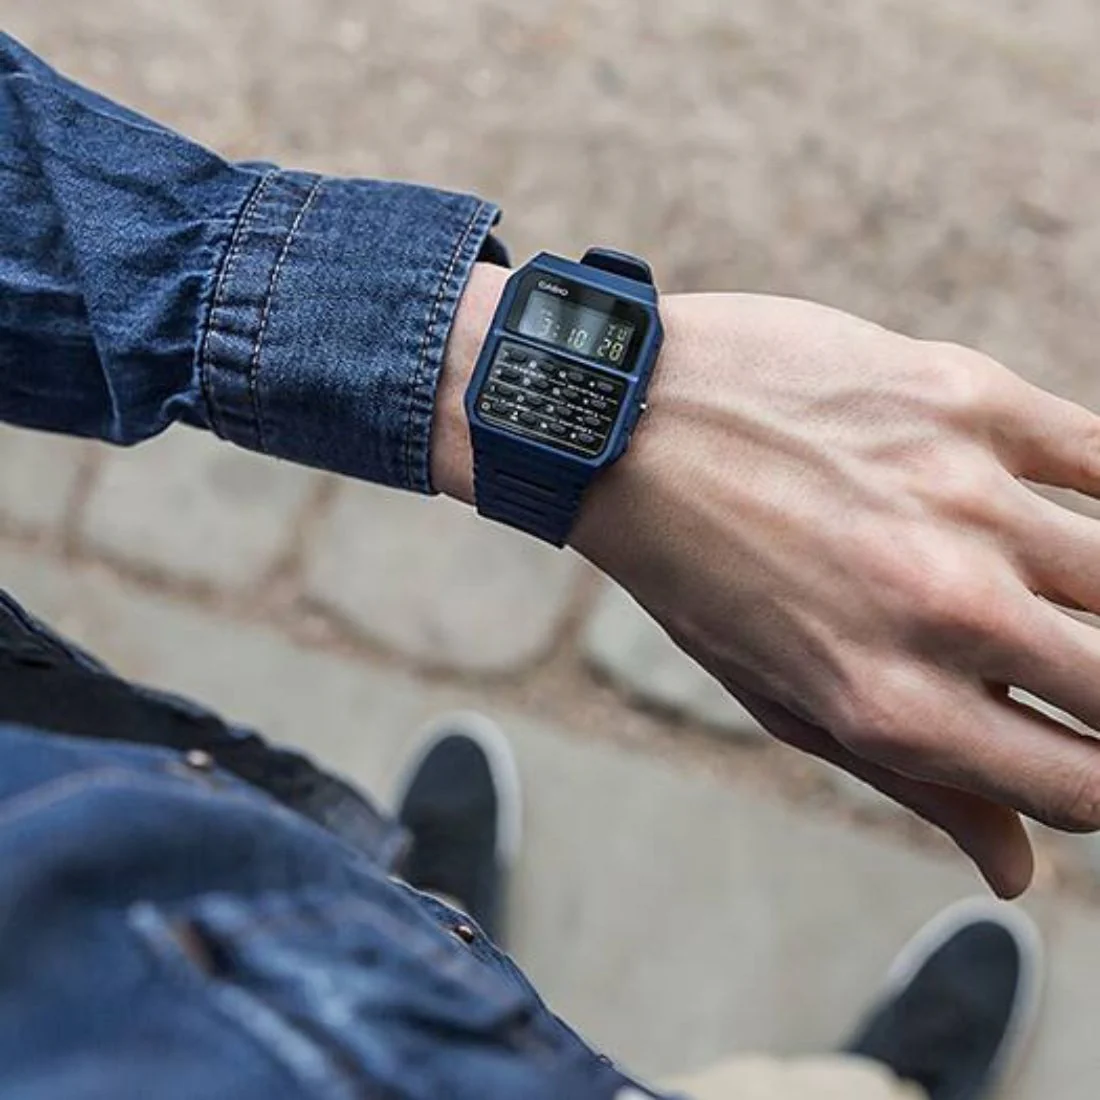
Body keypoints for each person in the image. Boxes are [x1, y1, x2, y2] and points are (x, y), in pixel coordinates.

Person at [0, 27, 1085, 1097]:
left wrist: (464, 354)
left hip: (247, 891)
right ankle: (874, 1084)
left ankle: (415, 912)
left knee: (381, 917)